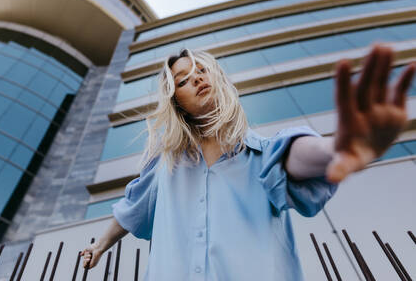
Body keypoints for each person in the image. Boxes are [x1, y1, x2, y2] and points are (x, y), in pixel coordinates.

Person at [81, 45, 415, 280]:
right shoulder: (166, 167)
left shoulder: (264, 154)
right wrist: (99, 246)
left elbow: (297, 157)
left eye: (201, 71)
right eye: (182, 80)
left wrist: (340, 146)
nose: (196, 78)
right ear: (177, 103)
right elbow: (131, 209)